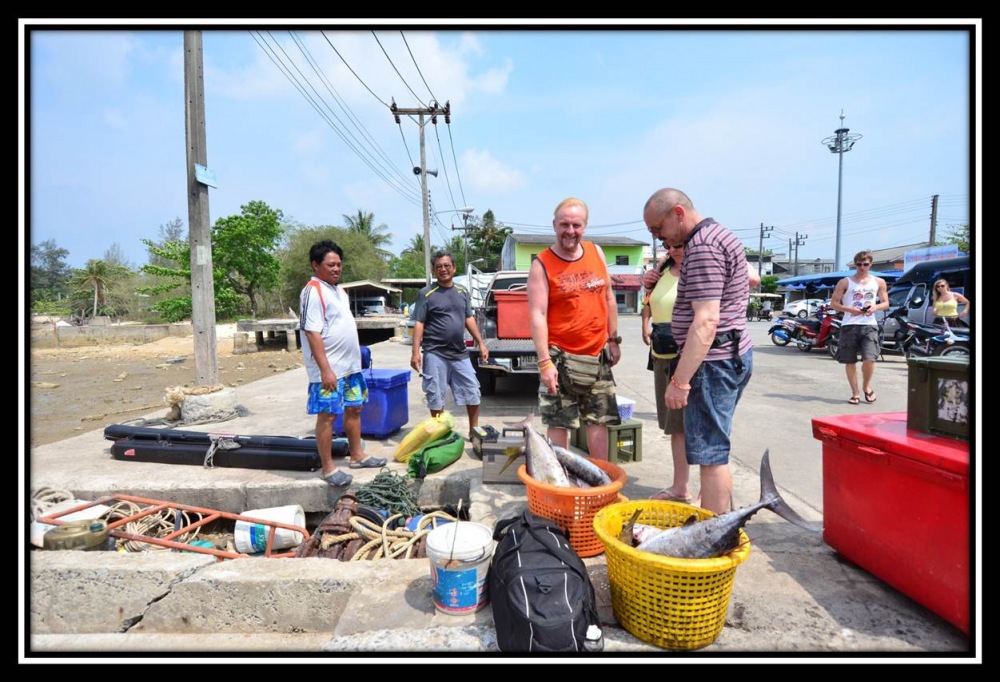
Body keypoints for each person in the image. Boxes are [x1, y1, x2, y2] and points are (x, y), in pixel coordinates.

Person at [643, 188, 753, 515]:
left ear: (678, 213)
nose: (657, 237)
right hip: (730, 353)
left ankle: (716, 535)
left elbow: (706, 321)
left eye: (657, 229)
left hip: (714, 361)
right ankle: (718, 518)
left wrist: (680, 381)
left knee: (710, 455)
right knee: (714, 449)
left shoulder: (703, 247)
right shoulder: (717, 236)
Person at [527, 197, 621, 460]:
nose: (570, 231)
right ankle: (562, 482)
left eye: (576, 225)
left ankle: (599, 478)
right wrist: (545, 363)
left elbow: (609, 297)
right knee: (559, 422)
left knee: (598, 420)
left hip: (598, 353)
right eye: (564, 224)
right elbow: (538, 315)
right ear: (554, 225)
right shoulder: (542, 264)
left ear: (585, 226)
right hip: (560, 357)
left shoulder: (596, 252)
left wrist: (613, 339)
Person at [299, 239, 386, 488]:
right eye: (330, 265)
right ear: (316, 265)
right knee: (327, 416)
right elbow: (312, 332)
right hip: (329, 371)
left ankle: (357, 455)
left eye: (339, 264)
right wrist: (326, 369)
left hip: (350, 368)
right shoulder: (312, 291)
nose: (336, 269)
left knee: (355, 408)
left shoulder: (339, 291)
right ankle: (328, 468)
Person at [640, 243, 697, 505]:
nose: (674, 250)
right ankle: (680, 486)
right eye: (669, 246)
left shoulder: (701, 267)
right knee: (675, 426)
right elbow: (649, 303)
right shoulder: (662, 270)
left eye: (680, 245)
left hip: (689, 355)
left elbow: (751, 277)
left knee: (699, 425)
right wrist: (645, 324)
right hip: (662, 352)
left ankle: (708, 490)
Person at [410, 250, 490, 437]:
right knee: (435, 395)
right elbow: (419, 323)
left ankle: (473, 430)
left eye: (447, 266)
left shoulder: (462, 292)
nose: (443, 270)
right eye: (439, 267)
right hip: (434, 352)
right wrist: (415, 352)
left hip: (459, 353)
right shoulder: (426, 293)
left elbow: (468, 318)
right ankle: (440, 434)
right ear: (434, 270)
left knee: (473, 390)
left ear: (454, 268)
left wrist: (481, 343)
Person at [829, 250, 889, 406]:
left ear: (871, 264)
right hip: (849, 324)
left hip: (869, 324)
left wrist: (874, 307)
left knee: (870, 358)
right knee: (850, 361)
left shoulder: (878, 281)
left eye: (865, 264)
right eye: (859, 264)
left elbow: (886, 303)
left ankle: (866, 386)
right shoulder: (845, 282)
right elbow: (834, 303)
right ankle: (855, 392)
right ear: (855, 264)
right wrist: (850, 309)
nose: (862, 267)